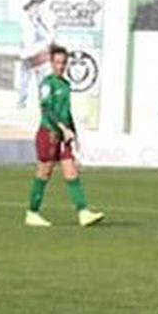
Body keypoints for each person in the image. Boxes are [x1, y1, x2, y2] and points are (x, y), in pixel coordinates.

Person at [25, 45, 104, 227]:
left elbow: (67, 113)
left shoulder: (66, 85)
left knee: (71, 170)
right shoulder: (47, 83)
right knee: (44, 172)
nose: (61, 66)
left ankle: (83, 212)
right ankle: (32, 212)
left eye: (64, 63)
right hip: (49, 134)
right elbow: (46, 109)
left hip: (63, 136)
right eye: (58, 62)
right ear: (52, 63)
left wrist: (73, 133)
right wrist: (62, 128)